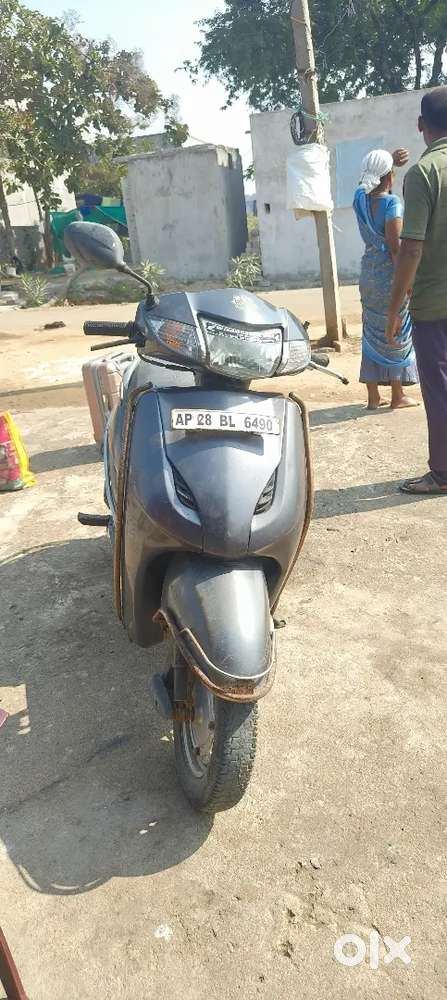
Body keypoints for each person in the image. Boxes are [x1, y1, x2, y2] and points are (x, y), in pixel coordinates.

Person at [386, 88, 447, 494]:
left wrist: (394, 310)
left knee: (440, 390)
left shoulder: (424, 173)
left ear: (421, 124)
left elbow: (410, 248)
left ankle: (443, 473)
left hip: (434, 306)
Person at [353, 148, 419, 410]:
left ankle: (373, 397)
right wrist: (408, 283)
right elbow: (395, 248)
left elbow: (366, 184)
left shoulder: (359, 198)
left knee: (371, 331)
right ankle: (397, 395)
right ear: (390, 177)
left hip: (367, 274)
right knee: (396, 330)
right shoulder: (393, 204)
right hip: (389, 278)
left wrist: (387, 160)